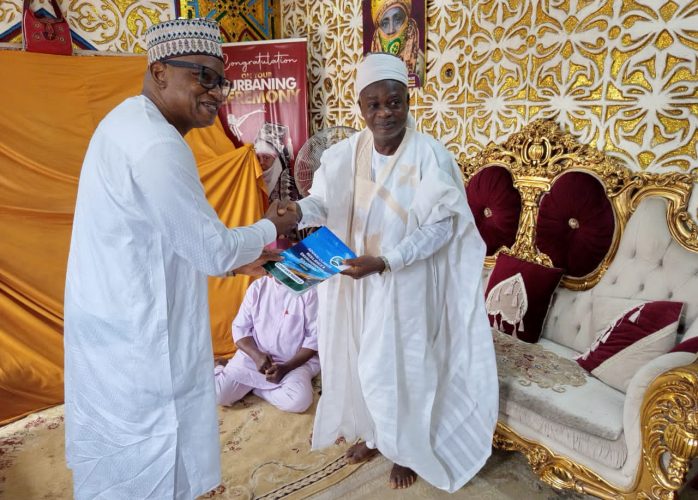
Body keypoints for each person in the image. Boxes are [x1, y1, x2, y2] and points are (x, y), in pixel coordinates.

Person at [63, 18, 298, 500]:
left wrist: (237, 261)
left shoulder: (125, 120)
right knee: (152, 459)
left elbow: (160, 234)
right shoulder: (157, 145)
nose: (217, 93)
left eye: (221, 81)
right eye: (203, 77)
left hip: (111, 327)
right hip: (139, 339)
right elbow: (210, 249)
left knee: (119, 457)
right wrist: (272, 225)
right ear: (160, 71)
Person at [283, 53, 498, 491]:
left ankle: (405, 449)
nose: (385, 113)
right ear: (361, 108)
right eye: (375, 104)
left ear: (408, 101)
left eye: (394, 102)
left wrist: (387, 262)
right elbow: (322, 202)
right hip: (353, 281)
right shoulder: (343, 155)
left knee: (400, 367)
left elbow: (442, 227)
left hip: (404, 281)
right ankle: (373, 434)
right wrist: (297, 211)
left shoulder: (430, 157)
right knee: (358, 359)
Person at [214, 272, 320, 413]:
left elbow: (313, 339)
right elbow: (240, 328)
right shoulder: (258, 287)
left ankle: (257, 389)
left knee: (299, 401)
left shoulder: (309, 292)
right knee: (218, 395)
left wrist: (285, 368)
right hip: (254, 358)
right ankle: (221, 367)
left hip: (293, 363)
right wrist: (257, 356)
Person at [369, 0, 425, 86]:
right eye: (385, 23)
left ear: (407, 21)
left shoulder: (419, 63)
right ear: (378, 29)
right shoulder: (370, 67)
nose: (391, 30)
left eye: (397, 20)